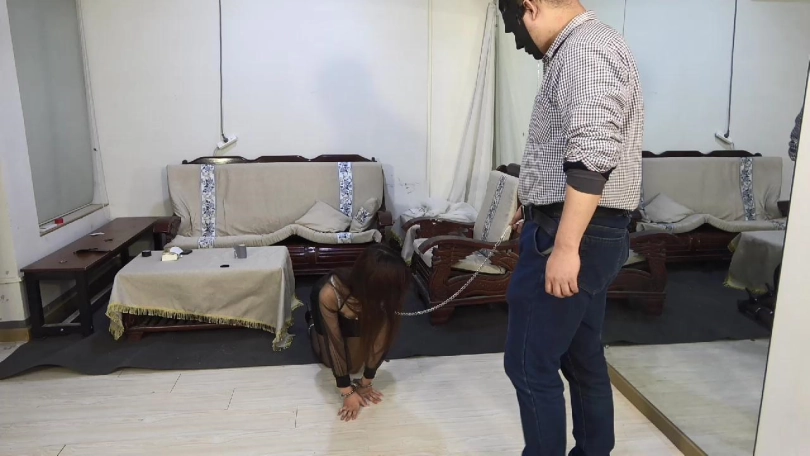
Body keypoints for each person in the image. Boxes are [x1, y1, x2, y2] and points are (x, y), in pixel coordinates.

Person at [499, 1, 644, 455]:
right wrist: (535, 201)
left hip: (574, 235)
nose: (521, 45)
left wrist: (564, 247)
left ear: (530, 6)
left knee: (529, 363)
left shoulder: (585, 49)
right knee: (581, 357)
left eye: (517, 30)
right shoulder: (588, 45)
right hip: (583, 228)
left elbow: (592, 155)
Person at [305, 244, 411, 421]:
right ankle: (311, 321)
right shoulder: (330, 292)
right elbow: (334, 342)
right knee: (330, 361)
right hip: (333, 308)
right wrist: (347, 392)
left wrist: (365, 383)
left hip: (361, 312)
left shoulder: (388, 295)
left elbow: (381, 339)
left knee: (355, 365)